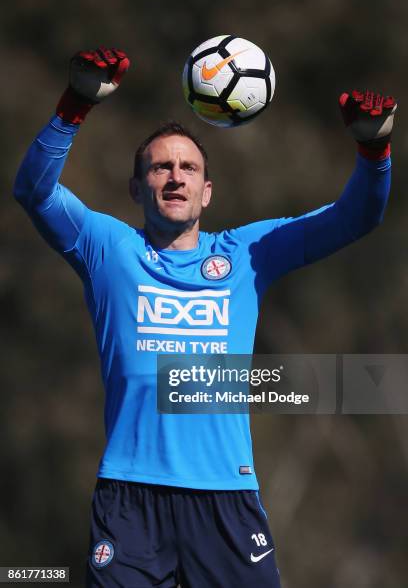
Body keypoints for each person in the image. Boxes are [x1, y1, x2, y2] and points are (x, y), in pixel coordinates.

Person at [14, 47, 396, 588]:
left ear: (206, 191)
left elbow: (356, 216)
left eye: (188, 167)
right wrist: (74, 104)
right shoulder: (107, 247)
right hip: (130, 496)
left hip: (225, 499)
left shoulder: (248, 253)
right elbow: (34, 191)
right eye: (160, 167)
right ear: (136, 187)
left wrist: (373, 148)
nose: (175, 177)